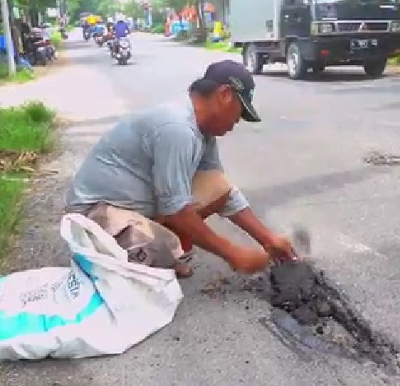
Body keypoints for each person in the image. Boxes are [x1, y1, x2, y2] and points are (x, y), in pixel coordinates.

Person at [66, 60, 297, 277]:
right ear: (224, 95)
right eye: (240, 112)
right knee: (159, 251)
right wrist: (233, 254)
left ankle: (163, 248)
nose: (237, 122)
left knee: (217, 184)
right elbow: (175, 207)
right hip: (95, 214)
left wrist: (268, 238)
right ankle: (148, 252)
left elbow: (223, 193)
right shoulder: (177, 128)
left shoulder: (202, 131)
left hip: (135, 205)